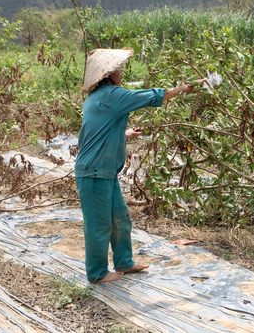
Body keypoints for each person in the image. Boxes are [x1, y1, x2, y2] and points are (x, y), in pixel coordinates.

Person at [76, 48, 201, 283]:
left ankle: (124, 261)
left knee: (120, 217)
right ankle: (97, 272)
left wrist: (125, 134)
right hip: (94, 172)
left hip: (103, 171)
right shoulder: (111, 95)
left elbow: (98, 134)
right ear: (110, 74)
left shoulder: (97, 98)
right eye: (119, 69)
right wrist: (181, 90)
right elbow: (147, 96)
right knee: (99, 224)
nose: (122, 72)